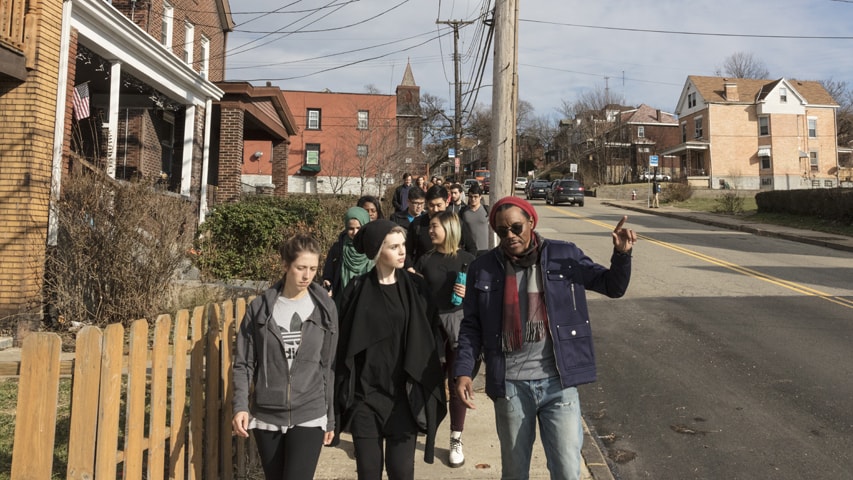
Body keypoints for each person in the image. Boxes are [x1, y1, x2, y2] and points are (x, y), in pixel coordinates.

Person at [454, 197, 636, 480]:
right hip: (511, 384)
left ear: (531, 222)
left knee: (566, 471)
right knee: (515, 473)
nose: (510, 236)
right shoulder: (484, 268)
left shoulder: (565, 255)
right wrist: (464, 371)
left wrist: (622, 255)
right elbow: (471, 326)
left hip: (558, 383)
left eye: (516, 227)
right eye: (502, 231)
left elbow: (612, 286)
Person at [335, 220, 447, 480]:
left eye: (403, 245)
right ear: (377, 251)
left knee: (402, 471)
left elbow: (432, 332)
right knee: (369, 472)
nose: (402, 252)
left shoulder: (416, 289)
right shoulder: (356, 289)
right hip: (365, 397)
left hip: (403, 399)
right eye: (394, 246)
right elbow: (342, 345)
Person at [232, 233, 338, 480]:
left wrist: (330, 418)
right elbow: (243, 363)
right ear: (285, 266)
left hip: (310, 411)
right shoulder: (260, 309)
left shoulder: (325, 310)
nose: (307, 275)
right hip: (267, 413)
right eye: (301, 267)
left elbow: (328, 366)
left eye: (313, 268)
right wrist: (240, 406)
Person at [413, 211, 476, 468]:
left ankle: (455, 438)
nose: (430, 230)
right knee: (430, 380)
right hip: (432, 325)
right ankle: (427, 429)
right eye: (429, 227)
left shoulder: (468, 260)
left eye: (435, 226)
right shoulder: (424, 260)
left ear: (450, 228)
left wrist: (468, 292)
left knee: (457, 380)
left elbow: (482, 299)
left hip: (459, 324)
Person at [406, 185, 476, 266]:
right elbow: (407, 252)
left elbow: (471, 248)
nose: (435, 210)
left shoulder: (456, 223)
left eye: (439, 205)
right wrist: (410, 268)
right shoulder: (417, 224)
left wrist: (464, 268)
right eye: (431, 205)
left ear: (446, 203)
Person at [322, 207, 374, 298]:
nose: (355, 232)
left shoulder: (372, 248)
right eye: (351, 228)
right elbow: (328, 273)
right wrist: (327, 283)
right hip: (342, 301)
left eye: (359, 228)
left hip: (366, 300)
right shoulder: (338, 248)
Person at [460, 183, 490, 256]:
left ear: (480, 197)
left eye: (475, 197)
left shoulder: (487, 210)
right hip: (469, 250)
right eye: (470, 197)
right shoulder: (463, 211)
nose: (473, 199)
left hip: (485, 249)